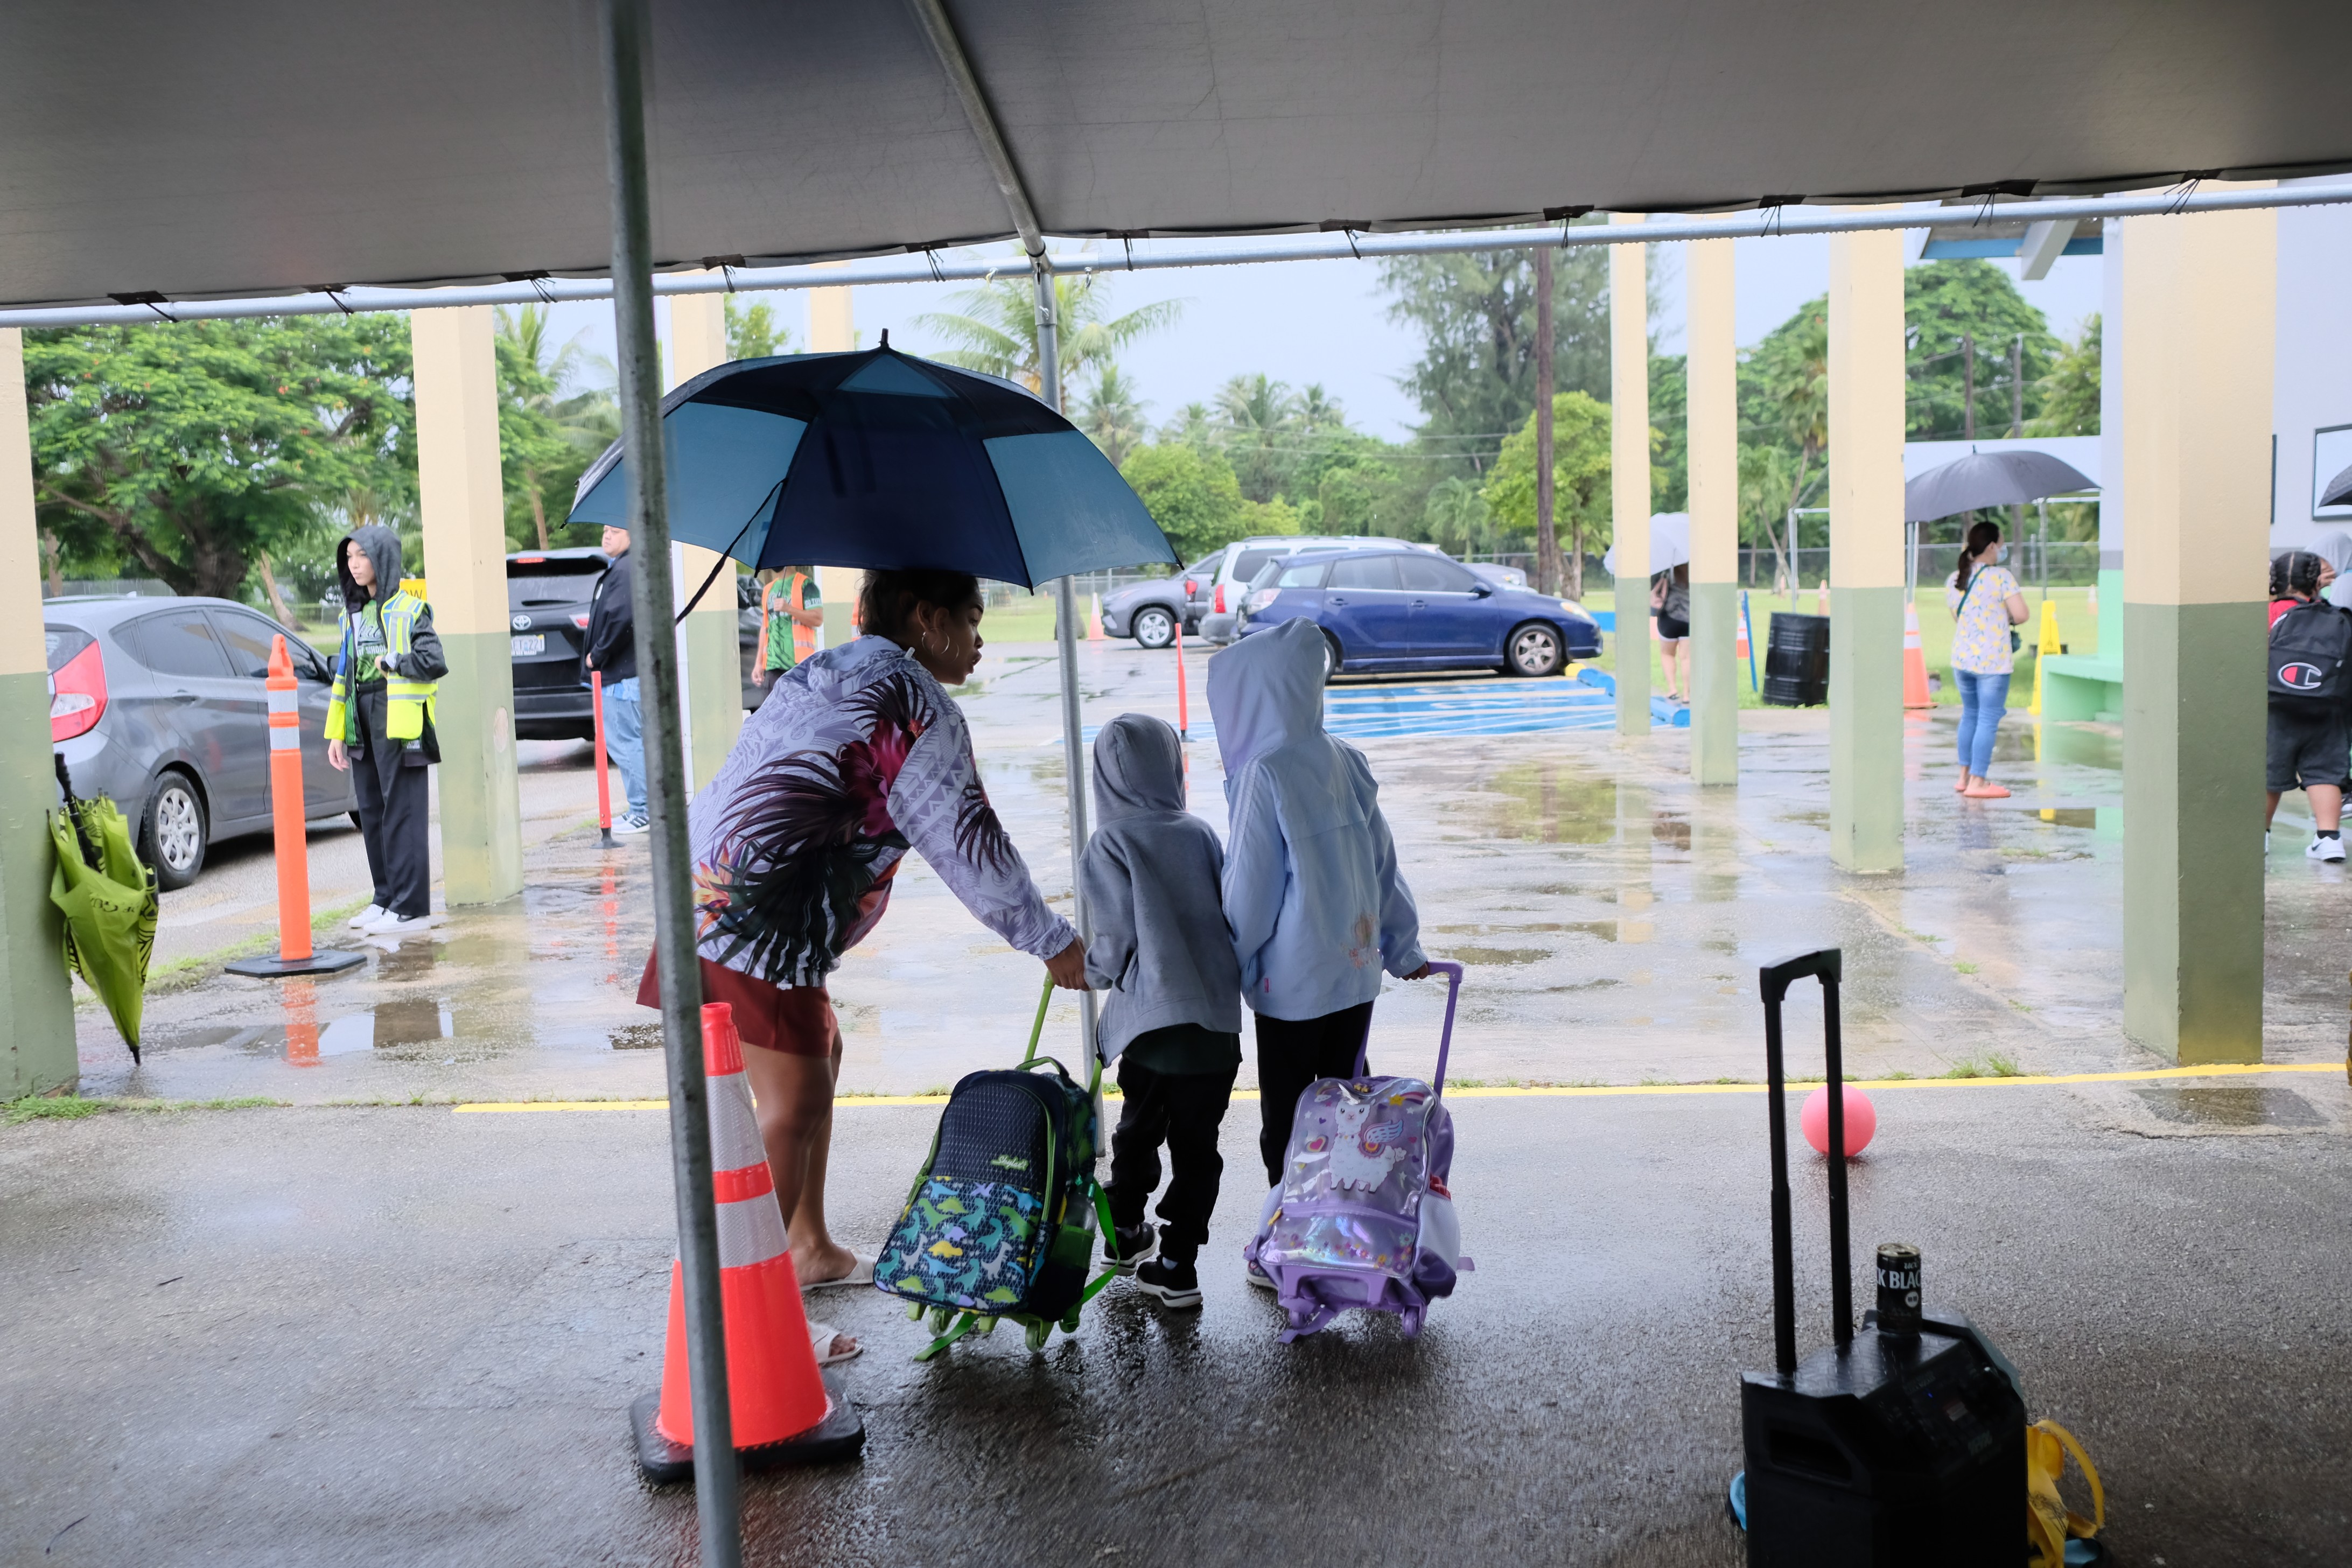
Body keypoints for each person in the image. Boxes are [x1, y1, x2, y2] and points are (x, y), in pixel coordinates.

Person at [639, 567, 1087, 1361]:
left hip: (718, 888)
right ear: (927, 619)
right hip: (756, 911)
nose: (980, 641)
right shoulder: (916, 707)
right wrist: (1051, 939)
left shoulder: (829, 665)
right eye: (973, 621)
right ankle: (750, 1314)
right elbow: (967, 841)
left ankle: (810, 1246)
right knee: (796, 1099)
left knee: (825, 1054)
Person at [1210, 617, 1431, 1288]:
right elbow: (1383, 864)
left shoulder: (1265, 773)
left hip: (1292, 986)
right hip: (1356, 975)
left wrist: (1232, 964)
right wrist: (1402, 943)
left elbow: (1250, 890)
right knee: (1346, 1106)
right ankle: (1348, 1223)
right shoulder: (1344, 758)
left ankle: (1291, 1230)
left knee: (1289, 1112)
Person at [1080, 712, 1244, 1312]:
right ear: (1171, 766)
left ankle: (1124, 1232)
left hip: (1151, 1025)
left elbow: (1115, 935)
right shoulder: (1199, 832)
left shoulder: (1111, 841)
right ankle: (1179, 1265)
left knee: (1138, 1130)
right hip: (1215, 1027)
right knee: (1199, 1146)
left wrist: (1093, 971)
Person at [324, 526, 446, 934]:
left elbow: (433, 660)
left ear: (384, 559)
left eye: (363, 556)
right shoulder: (351, 615)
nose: (355, 565)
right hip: (361, 716)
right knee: (372, 810)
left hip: (399, 720)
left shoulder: (411, 610)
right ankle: (385, 899)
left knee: (403, 812)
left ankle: (411, 908)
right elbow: (343, 677)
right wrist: (337, 732)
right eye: (350, 558)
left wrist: (395, 661)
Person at [2265, 549, 2350, 862]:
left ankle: (2259, 836)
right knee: (2325, 773)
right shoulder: (2336, 616)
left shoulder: (2269, 614)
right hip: (2326, 710)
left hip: (2276, 707)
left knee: (2268, 773)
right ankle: (2329, 840)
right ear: (2317, 581)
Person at [1944, 520, 2031, 800]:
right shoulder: (2001, 577)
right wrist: (2002, 615)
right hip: (1993, 662)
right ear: (1992, 546)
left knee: (1970, 714)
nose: (2002, 550)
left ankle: (1963, 777)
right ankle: (1979, 782)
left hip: (1963, 660)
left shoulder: (1956, 578)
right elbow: (2021, 615)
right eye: (2002, 544)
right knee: (1988, 719)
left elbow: (1959, 617)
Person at [583, 523, 648, 834]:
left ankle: (643, 811)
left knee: (625, 743)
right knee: (629, 742)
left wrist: (598, 654)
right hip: (623, 675)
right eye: (606, 530)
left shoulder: (625, 570)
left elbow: (622, 618)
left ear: (632, 535)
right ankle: (642, 808)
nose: (607, 536)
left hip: (621, 676)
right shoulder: (623, 568)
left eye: (615, 531)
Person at [755, 565, 823, 684]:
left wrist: (789, 609)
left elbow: (817, 619)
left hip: (799, 666)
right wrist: (759, 663)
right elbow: (765, 626)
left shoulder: (806, 585)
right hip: (772, 667)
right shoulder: (768, 589)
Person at [1653, 564, 1692, 704]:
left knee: (1667, 654)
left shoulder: (1665, 569)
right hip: (1690, 618)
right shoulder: (1695, 571)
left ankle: (1673, 689)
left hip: (1669, 618)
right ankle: (1687, 695)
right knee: (1687, 658)